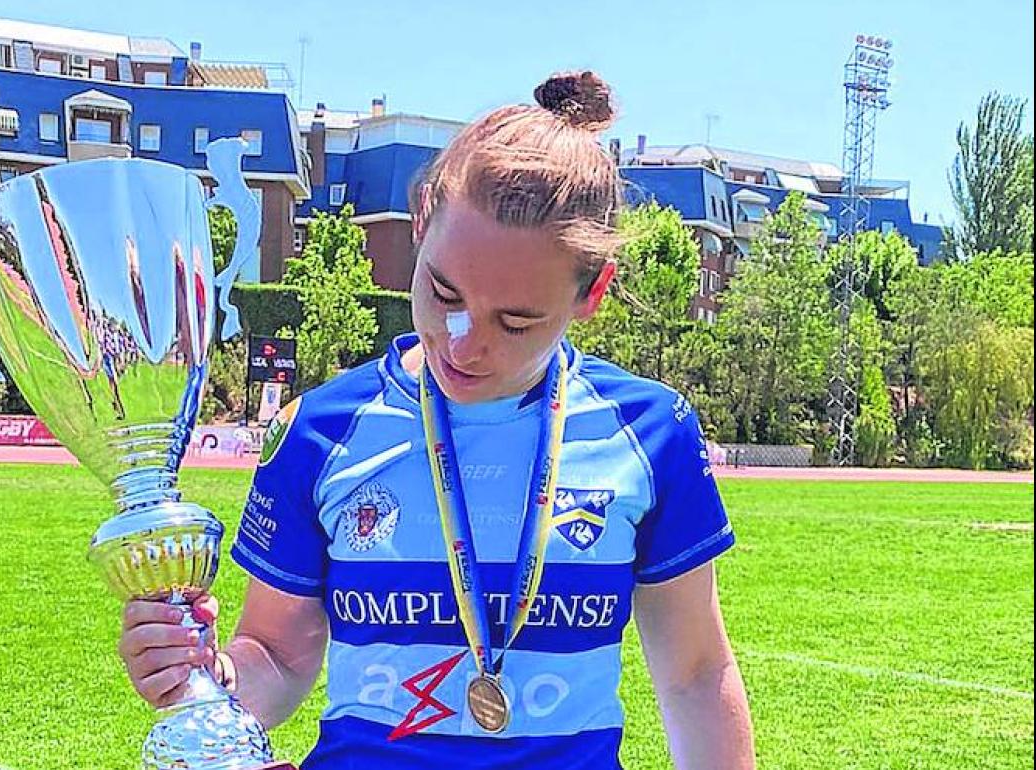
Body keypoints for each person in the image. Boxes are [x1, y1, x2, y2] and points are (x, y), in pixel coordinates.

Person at [119, 71, 755, 769]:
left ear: (592, 294)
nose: (463, 341)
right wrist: (207, 676)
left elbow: (696, 675)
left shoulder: (651, 432)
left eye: (515, 321)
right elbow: (276, 655)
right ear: (422, 222)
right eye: (442, 290)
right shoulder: (320, 429)